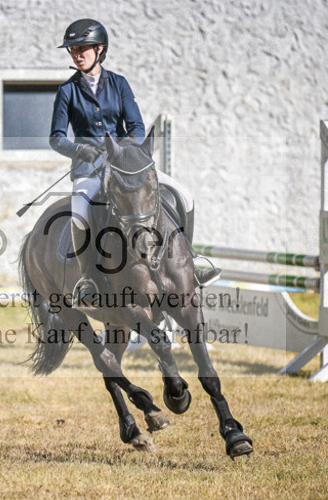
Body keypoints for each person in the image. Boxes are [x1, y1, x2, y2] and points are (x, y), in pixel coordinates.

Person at [49, 19, 210, 307]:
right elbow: (56, 138)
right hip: (89, 167)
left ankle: (190, 262)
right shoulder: (67, 91)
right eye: (73, 50)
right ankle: (88, 279)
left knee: (184, 195)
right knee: (80, 210)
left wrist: (126, 151)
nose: (76, 54)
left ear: (100, 49)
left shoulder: (119, 84)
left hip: (126, 164)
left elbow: (136, 125)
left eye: (82, 49)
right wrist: (80, 150)